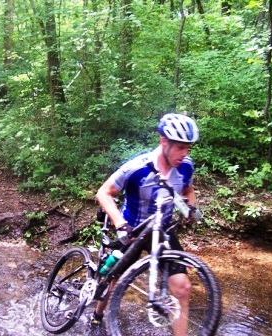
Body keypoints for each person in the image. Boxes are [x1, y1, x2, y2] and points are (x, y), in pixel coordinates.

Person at [94, 113, 200, 336]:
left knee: (182, 288)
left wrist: (190, 208)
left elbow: (188, 190)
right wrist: (120, 223)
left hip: (163, 231)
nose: (185, 153)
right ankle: (97, 317)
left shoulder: (186, 166)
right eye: (180, 147)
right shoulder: (137, 167)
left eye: (188, 148)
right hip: (132, 230)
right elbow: (103, 193)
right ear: (164, 141)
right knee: (112, 281)